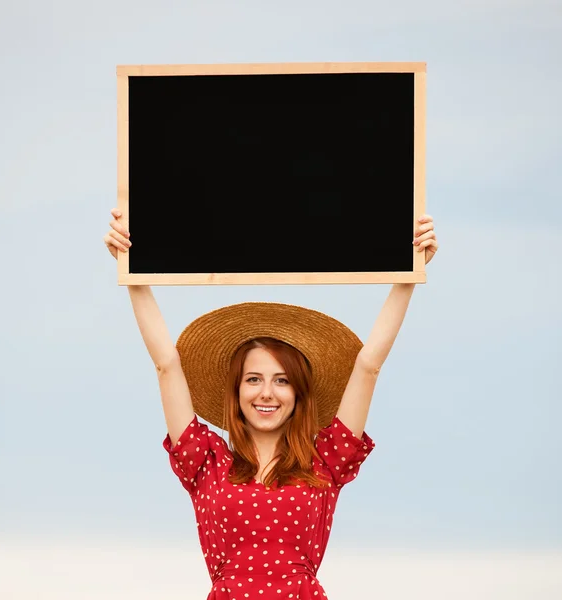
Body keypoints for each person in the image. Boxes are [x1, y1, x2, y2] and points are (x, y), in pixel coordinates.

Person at [103, 209, 438, 599]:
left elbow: (368, 366)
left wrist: (409, 275)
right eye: (253, 379)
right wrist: (133, 272)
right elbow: (166, 364)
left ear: (298, 394)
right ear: (236, 391)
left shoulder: (324, 460)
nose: (267, 393)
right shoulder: (205, 462)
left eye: (282, 381)